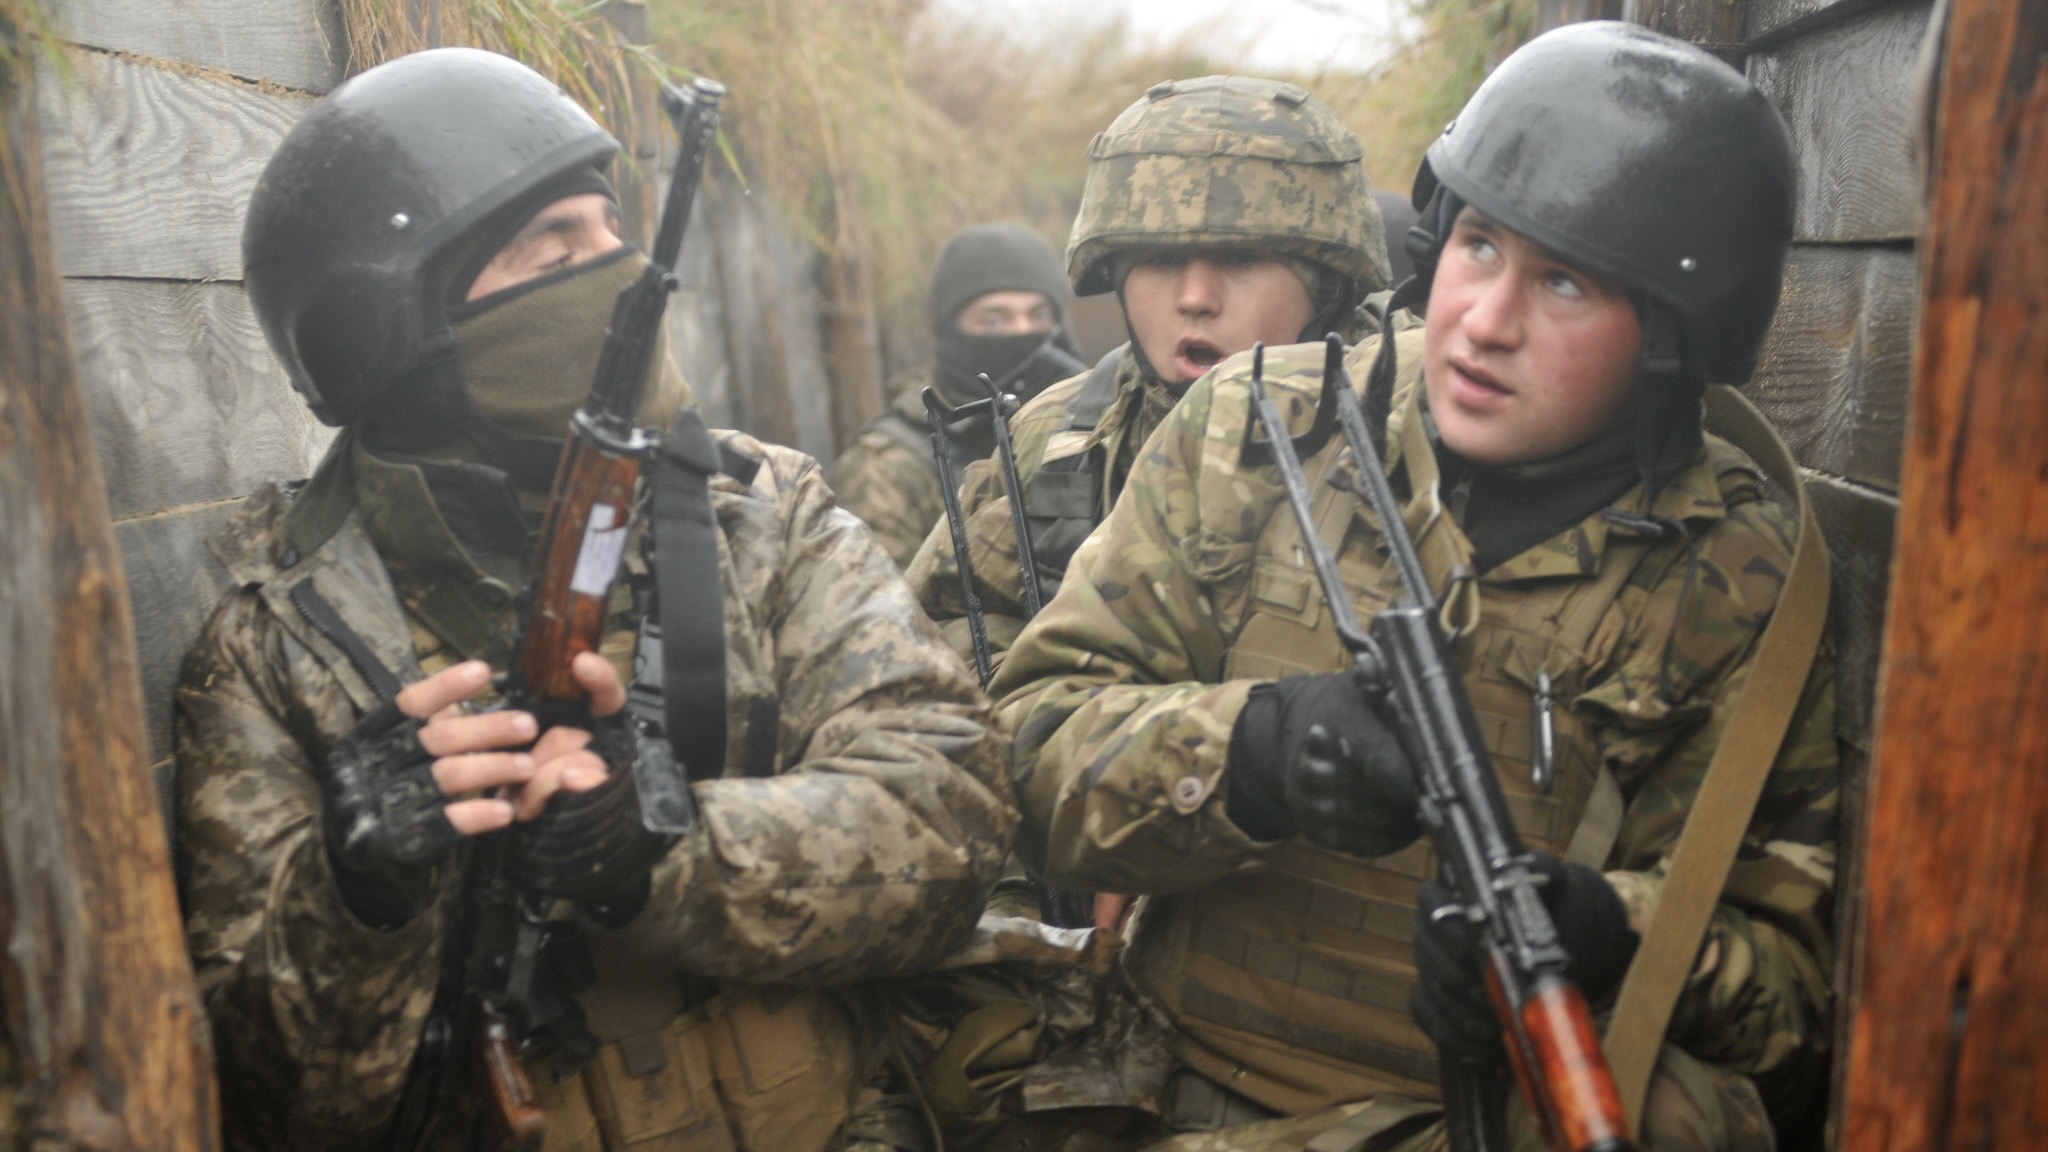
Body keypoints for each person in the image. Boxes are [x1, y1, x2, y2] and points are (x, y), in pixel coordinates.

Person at [988, 23, 1837, 1150]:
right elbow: (1018, 754)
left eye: (1566, 283)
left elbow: (1789, 1000)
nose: (1485, 322)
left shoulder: (1730, 570)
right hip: (1169, 1083)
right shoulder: (1255, 430)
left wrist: (1611, 933)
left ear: (1673, 339)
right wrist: (1249, 753)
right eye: (1478, 248)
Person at [177, 48, 1013, 1152]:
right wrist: (357, 891)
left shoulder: (760, 514)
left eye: (610, 231)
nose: (612, 270)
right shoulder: (274, 644)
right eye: (554, 245)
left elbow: (953, 820)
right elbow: (281, 1101)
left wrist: (663, 848)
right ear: (387, 324)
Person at [904, 75, 1393, 679]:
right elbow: (915, 663)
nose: (1195, 298)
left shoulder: (1416, 426)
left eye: (1240, 259)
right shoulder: (1055, 441)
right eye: (1160, 260)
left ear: (1328, 282)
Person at [828, 224, 1087, 568]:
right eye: (995, 321)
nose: (1023, 334)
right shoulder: (887, 468)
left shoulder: (1090, 427)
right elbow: (880, 611)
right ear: (952, 330)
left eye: (1039, 316)